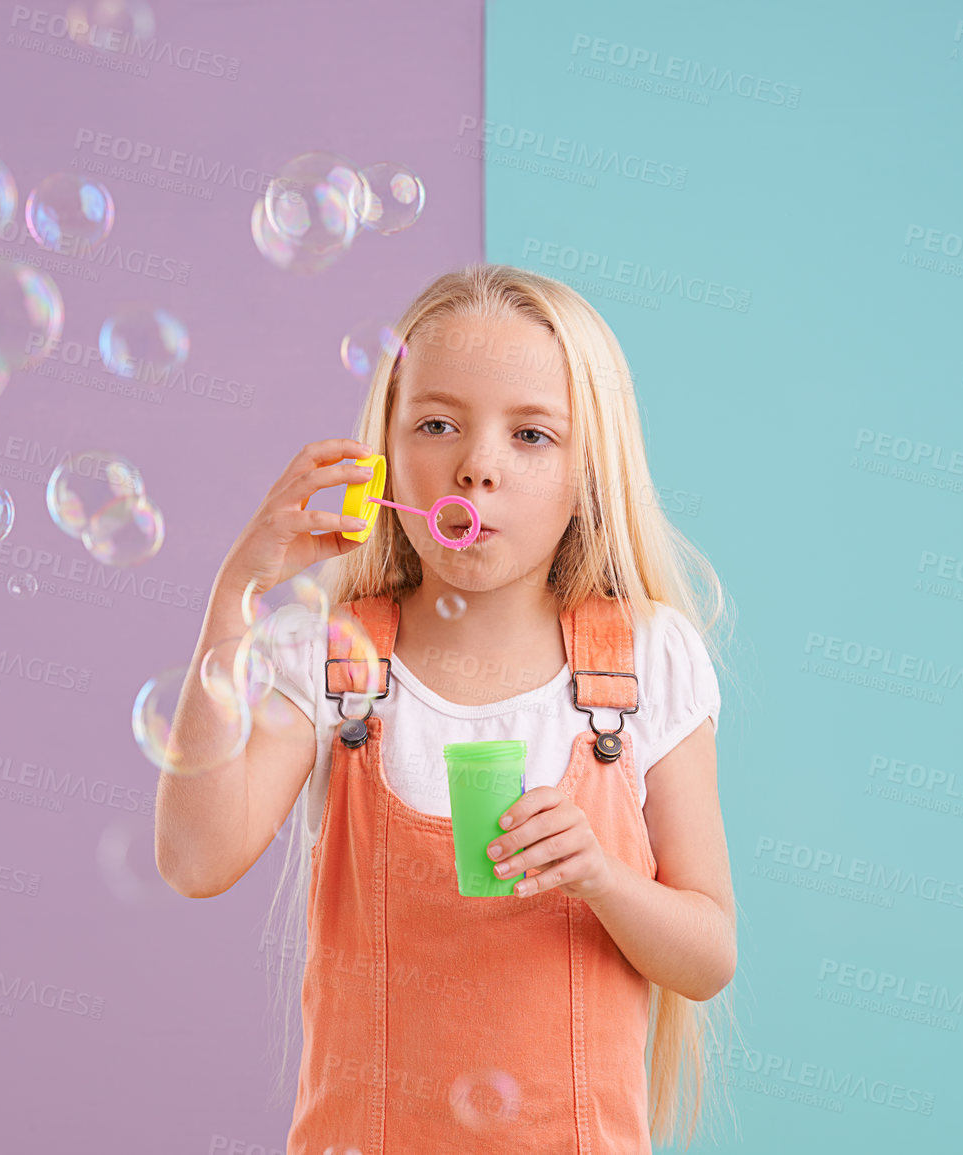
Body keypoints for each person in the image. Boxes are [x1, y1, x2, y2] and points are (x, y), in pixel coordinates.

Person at [158, 263, 748, 1153]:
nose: (477, 466)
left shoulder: (645, 661)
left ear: (589, 469)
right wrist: (234, 592)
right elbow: (194, 858)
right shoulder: (330, 657)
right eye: (437, 424)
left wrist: (603, 876)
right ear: (385, 452)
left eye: (532, 435)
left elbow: (706, 955)